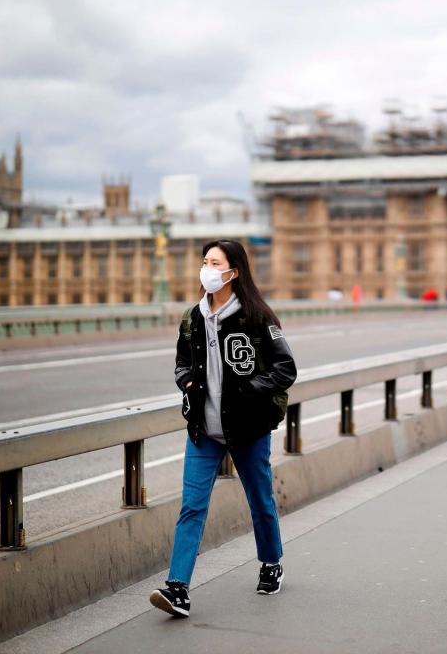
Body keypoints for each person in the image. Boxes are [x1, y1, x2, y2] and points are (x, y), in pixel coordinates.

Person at [150, 239, 297, 619]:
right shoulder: (193, 318)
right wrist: (186, 383)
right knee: (191, 507)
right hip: (203, 429)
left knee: (260, 501)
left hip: (247, 428)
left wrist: (250, 391)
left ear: (234, 272)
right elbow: (182, 362)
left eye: (215, 262)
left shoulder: (257, 318)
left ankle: (271, 562)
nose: (207, 269)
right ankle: (178, 588)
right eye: (204, 261)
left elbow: (286, 370)